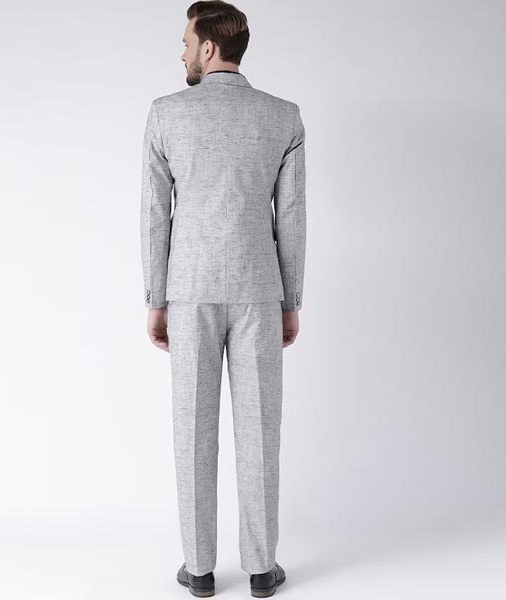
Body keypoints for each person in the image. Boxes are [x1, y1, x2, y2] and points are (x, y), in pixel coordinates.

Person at [140, 1, 306, 596]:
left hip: (188, 291)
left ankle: (200, 568)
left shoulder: (166, 114)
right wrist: (291, 300)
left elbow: (154, 214)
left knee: (192, 429)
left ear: (208, 47)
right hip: (260, 291)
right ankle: (261, 568)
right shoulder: (283, 116)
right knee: (260, 430)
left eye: (187, 42)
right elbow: (290, 217)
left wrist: (156, 298)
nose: (182, 51)